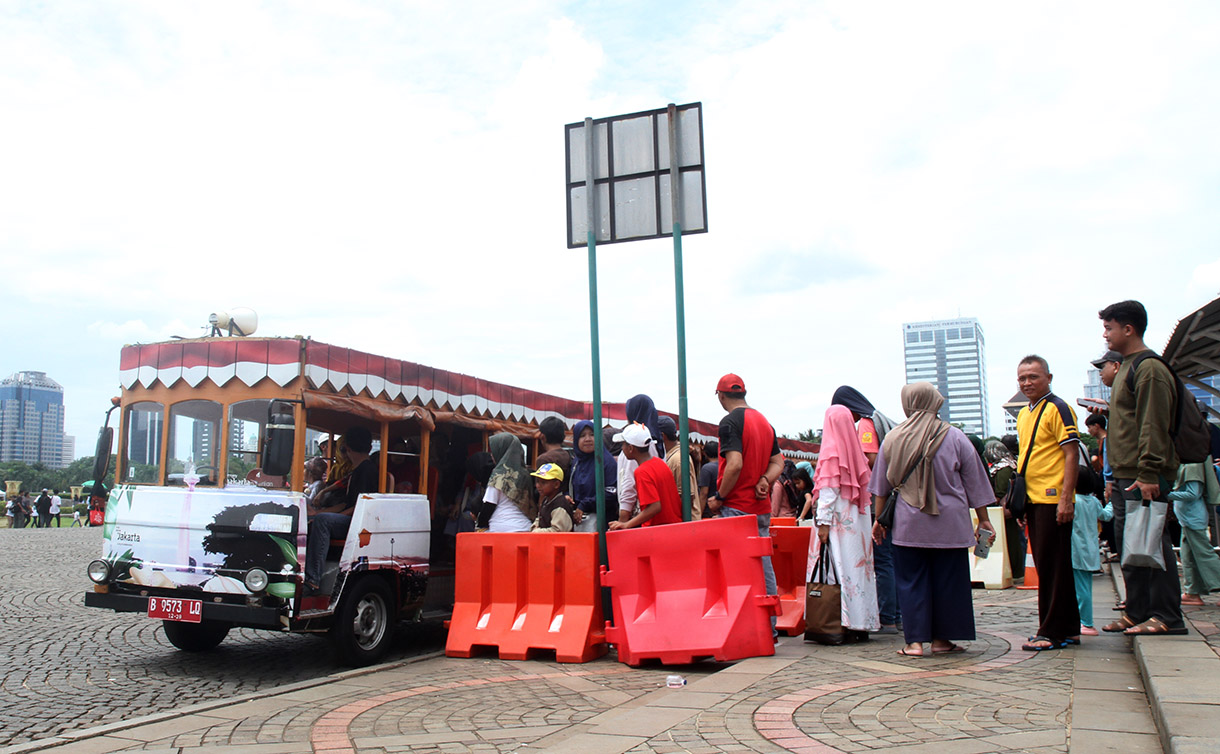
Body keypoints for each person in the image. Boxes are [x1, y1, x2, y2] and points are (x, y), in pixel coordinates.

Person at [869, 382, 995, 658]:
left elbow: (880, 485)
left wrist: (880, 520)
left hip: (908, 524)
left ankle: (914, 643)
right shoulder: (956, 437)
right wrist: (983, 519)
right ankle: (942, 640)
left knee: (911, 581)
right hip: (950, 525)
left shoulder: (893, 438)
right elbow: (975, 483)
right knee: (949, 582)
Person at [1099, 300, 1186, 636]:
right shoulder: (1126, 367)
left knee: (1152, 542)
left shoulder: (1149, 368)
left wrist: (1149, 472)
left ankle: (1167, 616)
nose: (1105, 335)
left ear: (1128, 329)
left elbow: (1154, 423)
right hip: (1125, 473)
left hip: (1142, 473)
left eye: (1109, 328)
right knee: (1132, 545)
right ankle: (1136, 611)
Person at [707, 373, 785, 636]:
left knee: (736, 570)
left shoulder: (729, 422)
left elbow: (735, 464)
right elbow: (779, 462)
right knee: (763, 566)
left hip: (736, 507)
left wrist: (719, 496)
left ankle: (746, 628)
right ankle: (768, 628)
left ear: (720, 395)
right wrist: (765, 479)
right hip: (760, 508)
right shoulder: (764, 421)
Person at [1015, 355, 1083, 651]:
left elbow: (1071, 454)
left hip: (1053, 498)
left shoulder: (1058, 408)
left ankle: (1053, 630)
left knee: (1054, 565)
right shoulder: (1024, 413)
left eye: (1033, 377)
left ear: (1049, 377)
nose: (1027, 383)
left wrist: (1066, 498)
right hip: (1033, 498)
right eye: (1022, 378)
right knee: (1048, 565)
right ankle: (1065, 627)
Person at [831, 385, 902, 635]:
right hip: (893, 499)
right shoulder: (880, 418)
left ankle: (888, 617)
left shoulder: (865, 424)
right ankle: (897, 614)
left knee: (882, 560)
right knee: (891, 558)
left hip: (877, 501)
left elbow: (870, 459)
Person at [809, 405, 879, 642]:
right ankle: (861, 622)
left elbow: (828, 492)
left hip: (838, 525)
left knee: (837, 572)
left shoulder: (831, 452)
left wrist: (823, 523)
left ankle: (841, 623)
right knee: (858, 573)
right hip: (857, 528)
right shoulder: (856, 454)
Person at [304, 426, 379, 594]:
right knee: (316, 520)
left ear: (347, 449)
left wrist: (328, 516)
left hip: (360, 522)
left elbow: (360, 507)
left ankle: (312, 578)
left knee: (323, 522)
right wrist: (320, 513)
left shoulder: (366, 471)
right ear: (369, 447)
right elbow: (346, 504)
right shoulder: (358, 470)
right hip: (353, 517)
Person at [608, 423, 682, 529]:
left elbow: (655, 507)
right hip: (672, 526)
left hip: (660, 530)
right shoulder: (659, 463)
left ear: (630, 448)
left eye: (623, 444)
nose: (622, 448)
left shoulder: (642, 472)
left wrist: (626, 524)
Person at [1170, 460, 1220, 606]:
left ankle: (1193, 591)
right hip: (1188, 517)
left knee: (1204, 554)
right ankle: (1192, 592)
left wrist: (1167, 494)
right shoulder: (1188, 463)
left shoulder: (1192, 464)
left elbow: (1193, 493)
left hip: (1193, 517)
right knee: (1188, 556)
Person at [1072, 469, 1113, 636]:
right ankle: (1085, 621)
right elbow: (1106, 516)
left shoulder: (1073, 502)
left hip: (1076, 550)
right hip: (1090, 550)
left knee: (1080, 590)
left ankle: (1086, 622)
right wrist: (1112, 502)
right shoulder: (1093, 501)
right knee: (1085, 587)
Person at [616, 394, 662, 524]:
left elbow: (629, 484)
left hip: (638, 516)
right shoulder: (655, 442)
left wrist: (624, 521)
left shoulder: (639, 447)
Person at [983, 438, 1025, 581]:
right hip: (1011, 509)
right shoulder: (1012, 463)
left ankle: (1014, 570)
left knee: (1009, 540)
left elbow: (1000, 492)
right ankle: (1017, 570)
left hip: (1001, 511)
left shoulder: (1002, 468)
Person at [477, 433, 536, 533]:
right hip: (526, 528)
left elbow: (489, 505)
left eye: (494, 451)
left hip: (501, 529)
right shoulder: (526, 474)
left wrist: (480, 524)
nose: (492, 455)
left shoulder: (499, 475)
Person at [569, 420, 618, 532]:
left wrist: (584, 505)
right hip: (579, 522)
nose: (588, 439)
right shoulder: (576, 461)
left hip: (602, 522)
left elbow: (611, 492)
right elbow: (571, 486)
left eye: (592, 434)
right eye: (582, 436)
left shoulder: (605, 461)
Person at [657, 415, 700, 520]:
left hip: (684, 522)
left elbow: (686, 497)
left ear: (662, 436)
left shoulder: (678, 459)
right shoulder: (673, 455)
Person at [530, 464, 575, 532]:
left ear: (556, 484)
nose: (538, 485)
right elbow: (539, 519)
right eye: (537, 481)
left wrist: (537, 532)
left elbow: (558, 531)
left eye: (543, 482)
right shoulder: (546, 501)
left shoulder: (560, 505)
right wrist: (534, 526)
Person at [536, 416, 573, 496]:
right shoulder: (569, 455)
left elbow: (542, 491)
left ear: (543, 436)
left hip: (551, 503)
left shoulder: (544, 459)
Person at [697, 441, 719, 517]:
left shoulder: (707, 469)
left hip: (709, 511)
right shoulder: (725, 466)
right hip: (722, 507)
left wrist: (699, 514)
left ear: (705, 453)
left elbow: (704, 493)